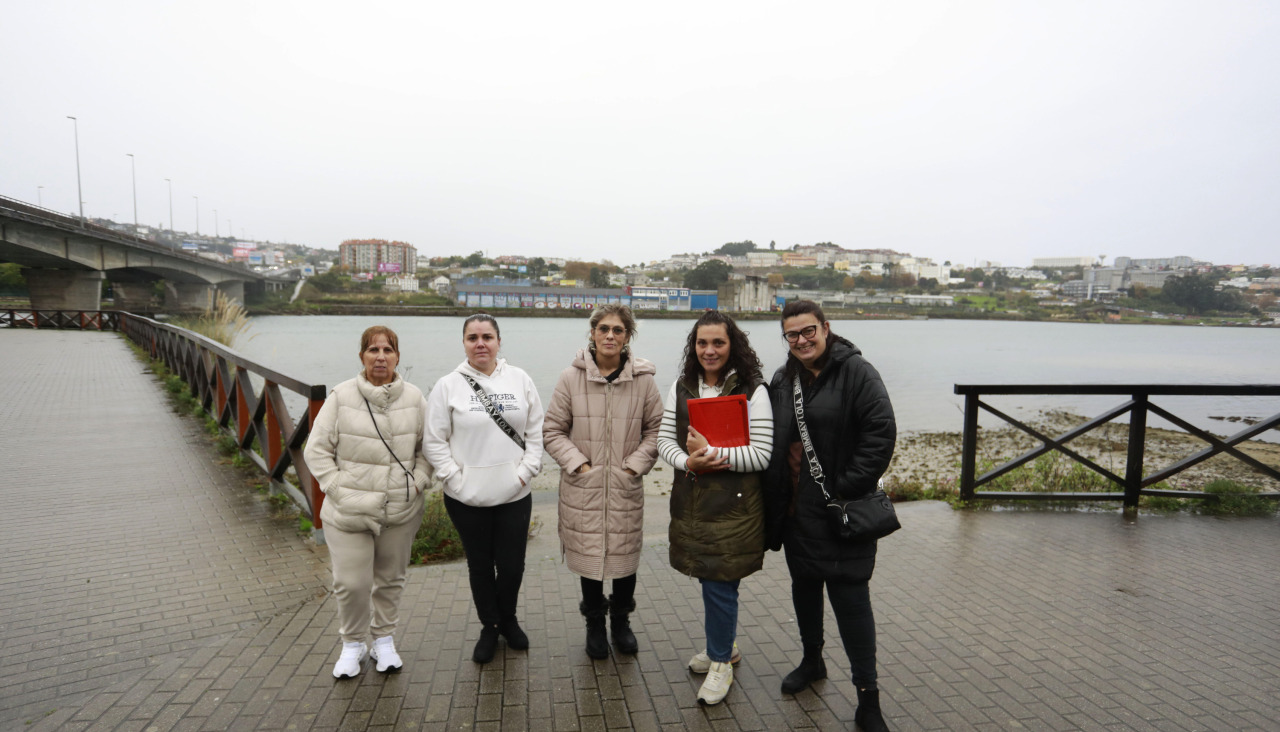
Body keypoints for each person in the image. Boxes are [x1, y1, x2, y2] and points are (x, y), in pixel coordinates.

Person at [764, 300, 896, 732]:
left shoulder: (858, 372)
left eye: (808, 331)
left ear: (826, 328)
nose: (801, 340)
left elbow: (880, 434)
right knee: (805, 591)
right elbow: (767, 437)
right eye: (792, 335)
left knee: (852, 603)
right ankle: (812, 662)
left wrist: (845, 489)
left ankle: (868, 696)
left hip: (843, 512)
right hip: (799, 514)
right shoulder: (783, 380)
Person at [304, 325, 434, 679]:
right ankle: (352, 643)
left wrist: (418, 482)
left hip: (401, 508)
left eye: (388, 350)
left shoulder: (415, 398)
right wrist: (336, 488)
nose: (381, 356)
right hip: (348, 511)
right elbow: (315, 450)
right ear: (361, 355)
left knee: (391, 579)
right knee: (351, 582)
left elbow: (428, 448)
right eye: (373, 350)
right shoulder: (341, 396)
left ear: (397, 357)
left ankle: (384, 639)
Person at [657, 311, 773, 706]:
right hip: (692, 502)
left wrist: (709, 454)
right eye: (702, 343)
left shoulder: (754, 389)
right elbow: (663, 442)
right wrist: (689, 463)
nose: (709, 351)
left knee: (720, 583)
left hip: (735, 508)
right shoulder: (680, 386)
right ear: (694, 346)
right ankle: (722, 646)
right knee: (709, 578)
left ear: (732, 345)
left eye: (718, 343)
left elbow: (762, 455)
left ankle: (721, 661)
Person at [423, 313, 545, 664]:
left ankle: (508, 618)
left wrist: (525, 473)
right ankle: (489, 626)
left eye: (487, 337)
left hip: (515, 493)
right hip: (465, 497)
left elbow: (536, 431)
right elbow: (434, 442)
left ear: (498, 341)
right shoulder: (448, 385)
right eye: (473, 337)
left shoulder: (520, 379)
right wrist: (455, 479)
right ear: (464, 343)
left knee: (512, 566)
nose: (480, 343)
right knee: (480, 565)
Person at [543, 305, 663, 659]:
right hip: (584, 488)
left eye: (619, 330)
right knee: (591, 561)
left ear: (628, 336)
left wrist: (632, 468)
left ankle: (621, 623)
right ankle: (594, 624)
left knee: (624, 561)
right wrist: (578, 465)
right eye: (604, 329)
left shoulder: (644, 381)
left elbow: (656, 431)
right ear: (592, 333)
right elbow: (552, 431)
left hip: (624, 488)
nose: (610, 336)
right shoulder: (570, 378)